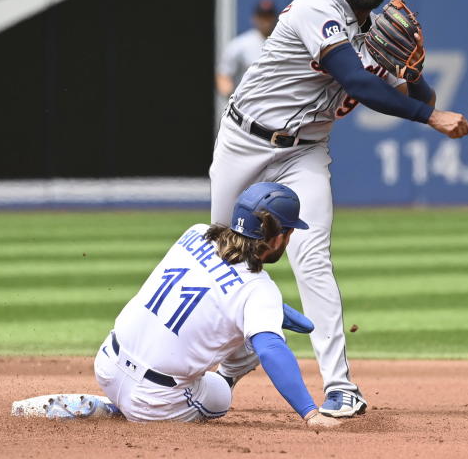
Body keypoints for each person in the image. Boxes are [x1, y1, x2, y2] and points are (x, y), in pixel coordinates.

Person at [209, 0, 468, 417]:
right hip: (244, 141)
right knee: (229, 261)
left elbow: (422, 95)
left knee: (312, 260)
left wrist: (413, 72)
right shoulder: (317, 8)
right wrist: (429, 119)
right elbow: (358, 82)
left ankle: (340, 387)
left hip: (305, 152)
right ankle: (233, 358)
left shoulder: (380, 33)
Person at [93, 182, 341, 428]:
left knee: (242, 328)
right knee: (220, 395)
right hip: (151, 401)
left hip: (106, 365)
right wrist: (311, 413)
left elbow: (210, 280)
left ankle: (113, 402)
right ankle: (125, 407)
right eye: (289, 233)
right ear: (277, 239)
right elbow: (270, 349)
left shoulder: (196, 232)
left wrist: (273, 310)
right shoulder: (259, 290)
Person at [215, 0, 279, 98]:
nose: (266, 21)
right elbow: (223, 75)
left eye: (268, 16)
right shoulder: (240, 44)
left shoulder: (282, 43)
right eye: (262, 16)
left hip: (276, 104)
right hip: (245, 106)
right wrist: (233, 97)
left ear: (275, 18)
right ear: (254, 18)